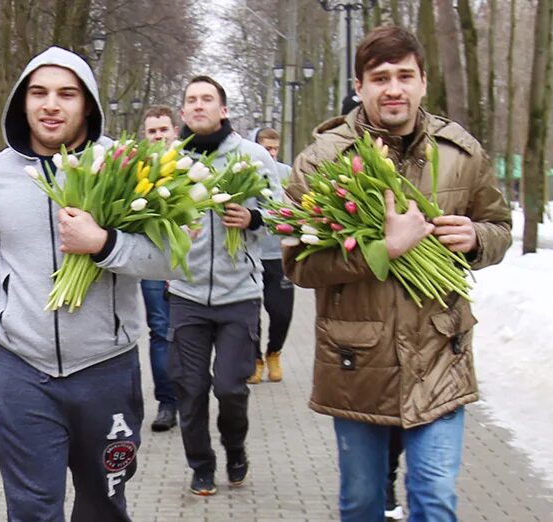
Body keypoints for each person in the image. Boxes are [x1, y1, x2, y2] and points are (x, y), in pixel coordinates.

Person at [0, 46, 179, 521]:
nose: (51, 104)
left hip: (107, 371)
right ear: (21, 101)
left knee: (103, 507)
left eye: (66, 94)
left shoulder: (126, 168)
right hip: (23, 372)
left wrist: (105, 243)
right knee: (32, 511)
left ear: (87, 103)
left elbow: (170, 260)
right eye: (39, 93)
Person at [283, 26, 511, 521]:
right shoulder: (323, 162)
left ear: (424, 82)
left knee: (435, 499)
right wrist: (383, 249)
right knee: (362, 503)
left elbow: (499, 226)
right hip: (357, 361)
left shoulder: (461, 153)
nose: (394, 88)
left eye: (405, 75)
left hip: (439, 354)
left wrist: (476, 239)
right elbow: (298, 262)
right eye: (380, 77)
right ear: (359, 86)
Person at [168, 75, 275, 496]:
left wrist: (253, 220)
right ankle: (201, 465)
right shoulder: (169, 160)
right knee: (189, 389)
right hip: (186, 293)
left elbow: (281, 210)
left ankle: (235, 448)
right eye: (191, 100)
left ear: (223, 109)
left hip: (239, 294)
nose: (198, 106)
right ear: (183, 112)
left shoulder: (251, 156)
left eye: (207, 99)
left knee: (230, 387)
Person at [139, 105, 182, 432]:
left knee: (188, 333)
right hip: (152, 262)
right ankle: (167, 403)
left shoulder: (187, 165)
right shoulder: (136, 169)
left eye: (163, 130)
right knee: (159, 330)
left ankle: (191, 397)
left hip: (187, 262)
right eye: (152, 131)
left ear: (174, 131)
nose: (158, 136)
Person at [248, 127, 295, 384]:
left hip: (280, 255)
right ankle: (255, 360)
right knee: (250, 313)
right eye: (266, 148)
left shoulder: (287, 173)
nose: (271, 153)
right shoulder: (245, 174)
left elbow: (301, 205)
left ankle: (274, 352)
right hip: (252, 255)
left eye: (275, 148)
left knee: (281, 312)